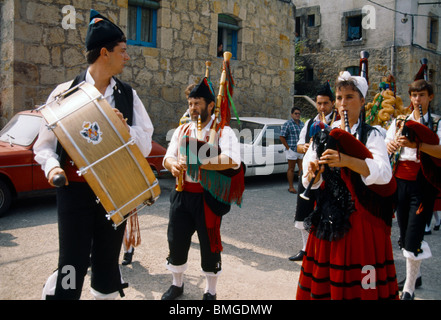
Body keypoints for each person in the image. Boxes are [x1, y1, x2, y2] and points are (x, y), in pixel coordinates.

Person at [35, 10, 154, 299]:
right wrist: (52, 168)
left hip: (116, 191)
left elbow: (147, 143)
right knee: (71, 263)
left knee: (106, 262)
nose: (127, 57)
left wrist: (122, 129)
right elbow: (44, 145)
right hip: (74, 193)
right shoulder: (64, 93)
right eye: (122, 51)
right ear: (104, 52)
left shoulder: (128, 95)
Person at [296, 71, 398, 300]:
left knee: (362, 280)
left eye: (350, 97)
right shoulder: (323, 134)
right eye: (340, 97)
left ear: (362, 102)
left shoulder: (372, 135)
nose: (343, 103)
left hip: (362, 218)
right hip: (328, 216)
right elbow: (308, 178)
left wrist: (347, 161)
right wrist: (313, 171)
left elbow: (383, 174)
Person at [162, 78, 241, 300]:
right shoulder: (182, 129)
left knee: (210, 245)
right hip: (181, 193)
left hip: (208, 198)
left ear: (210, 105)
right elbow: (167, 157)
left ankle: (210, 291)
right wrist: (173, 165)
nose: (193, 108)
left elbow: (233, 160)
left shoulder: (222, 130)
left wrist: (202, 162)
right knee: (176, 241)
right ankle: (177, 285)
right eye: (190, 104)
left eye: (197, 103)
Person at [385, 79, 441, 300]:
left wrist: (417, 145)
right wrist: (390, 145)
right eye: (414, 96)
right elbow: (386, 143)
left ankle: (408, 287)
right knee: (404, 231)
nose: (417, 100)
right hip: (400, 181)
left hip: (423, 183)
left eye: (422, 95)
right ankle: (414, 277)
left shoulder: (437, 122)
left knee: (414, 235)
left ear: (430, 97)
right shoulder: (400, 120)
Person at [289, 82, 336, 262]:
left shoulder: (338, 122)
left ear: (332, 103)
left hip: (329, 176)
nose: (322, 107)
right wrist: (305, 147)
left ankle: (326, 253)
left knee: (328, 214)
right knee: (303, 211)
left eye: (325, 103)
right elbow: (299, 145)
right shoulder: (310, 123)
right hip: (309, 174)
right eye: (319, 103)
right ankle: (305, 249)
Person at [280, 107, 304, 194]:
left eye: (299, 114)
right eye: (296, 113)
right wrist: (288, 148)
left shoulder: (302, 124)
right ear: (292, 114)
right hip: (292, 150)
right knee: (291, 169)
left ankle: (301, 186)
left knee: (302, 168)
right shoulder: (288, 124)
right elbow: (282, 136)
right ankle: (291, 187)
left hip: (300, 150)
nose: (297, 115)